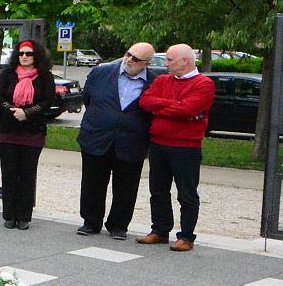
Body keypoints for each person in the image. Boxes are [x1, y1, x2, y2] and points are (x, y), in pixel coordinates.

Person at [137, 43, 214, 252]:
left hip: (186, 147)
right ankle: (160, 230)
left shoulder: (203, 84)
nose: (166, 63)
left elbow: (188, 109)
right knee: (158, 190)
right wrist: (174, 106)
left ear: (185, 61)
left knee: (186, 193)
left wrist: (163, 107)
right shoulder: (162, 80)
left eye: (170, 60)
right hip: (159, 143)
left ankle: (186, 236)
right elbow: (145, 102)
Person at [77, 42, 156, 240]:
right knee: (92, 182)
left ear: (146, 63)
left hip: (132, 141)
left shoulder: (156, 82)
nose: (129, 60)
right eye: (128, 54)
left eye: (136, 59)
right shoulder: (101, 73)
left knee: (126, 186)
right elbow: (88, 99)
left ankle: (119, 225)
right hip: (97, 137)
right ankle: (90, 222)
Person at [0, 40, 62, 230]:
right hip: (8, 129)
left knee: (27, 174)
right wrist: (13, 110)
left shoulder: (45, 77)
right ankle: (9, 215)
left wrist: (27, 113)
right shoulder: (8, 74)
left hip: (33, 131)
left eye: (28, 54)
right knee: (9, 173)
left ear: (36, 55)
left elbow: (48, 100)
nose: (24, 57)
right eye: (21, 53)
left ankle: (23, 216)